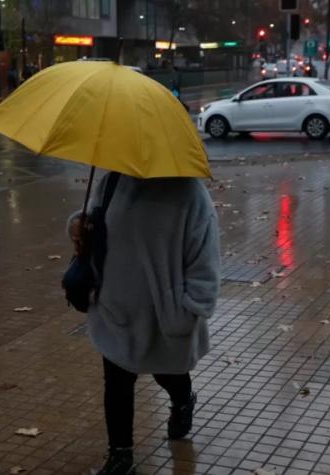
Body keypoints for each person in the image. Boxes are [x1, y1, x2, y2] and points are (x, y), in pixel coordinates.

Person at [68, 173, 220, 475]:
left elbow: (204, 261)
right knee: (116, 384)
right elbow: (96, 219)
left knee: (168, 375)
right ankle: (120, 454)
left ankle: (183, 401)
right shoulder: (113, 180)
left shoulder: (190, 193)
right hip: (115, 308)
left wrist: (189, 309)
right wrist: (78, 224)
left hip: (164, 314)